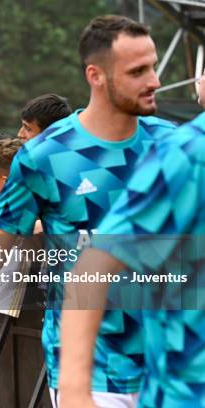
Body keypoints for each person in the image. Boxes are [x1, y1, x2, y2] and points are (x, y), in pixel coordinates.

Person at [0, 15, 175, 408]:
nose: (153, 80)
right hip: (89, 372)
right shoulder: (44, 156)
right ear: (96, 75)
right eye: (137, 71)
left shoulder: (176, 145)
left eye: (152, 66)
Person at [59, 72, 205, 408]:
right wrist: (75, 389)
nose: (154, 81)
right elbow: (92, 265)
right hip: (174, 385)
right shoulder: (186, 151)